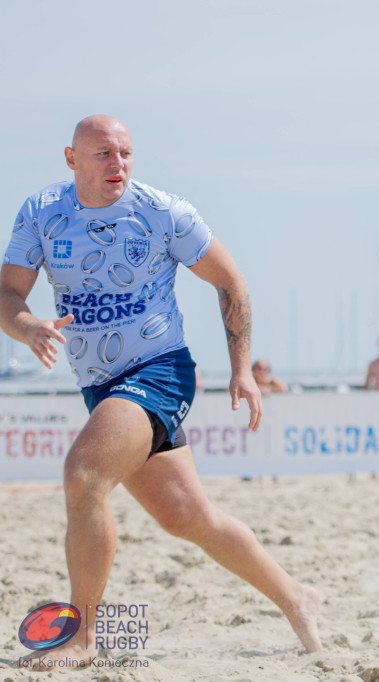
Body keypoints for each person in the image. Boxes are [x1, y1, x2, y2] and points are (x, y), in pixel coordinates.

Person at [0, 115, 321, 669]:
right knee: (185, 515)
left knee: (83, 476)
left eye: (124, 152)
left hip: (158, 371)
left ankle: (80, 636)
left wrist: (241, 368)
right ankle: (298, 596)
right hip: (99, 386)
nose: (116, 164)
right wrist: (27, 326)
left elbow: (230, 281)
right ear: (72, 160)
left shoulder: (163, 212)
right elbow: (8, 292)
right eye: (101, 154)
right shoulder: (41, 213)